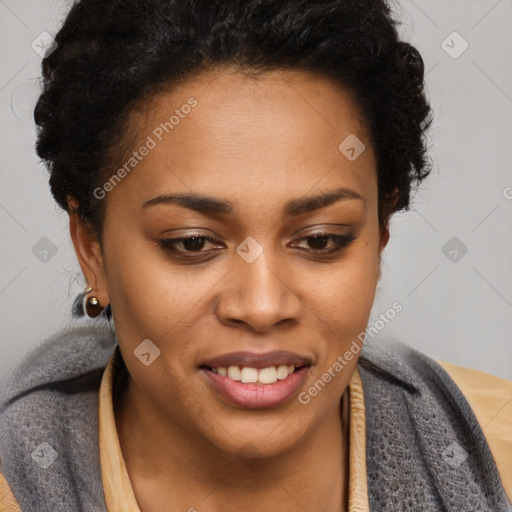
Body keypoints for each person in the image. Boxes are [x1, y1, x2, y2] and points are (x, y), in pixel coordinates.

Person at [1, 0, 511, 511]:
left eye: (320, 239)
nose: (263, 305)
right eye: (193, 242)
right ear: (92, 250)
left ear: (380, 237)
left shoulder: (498, 451)